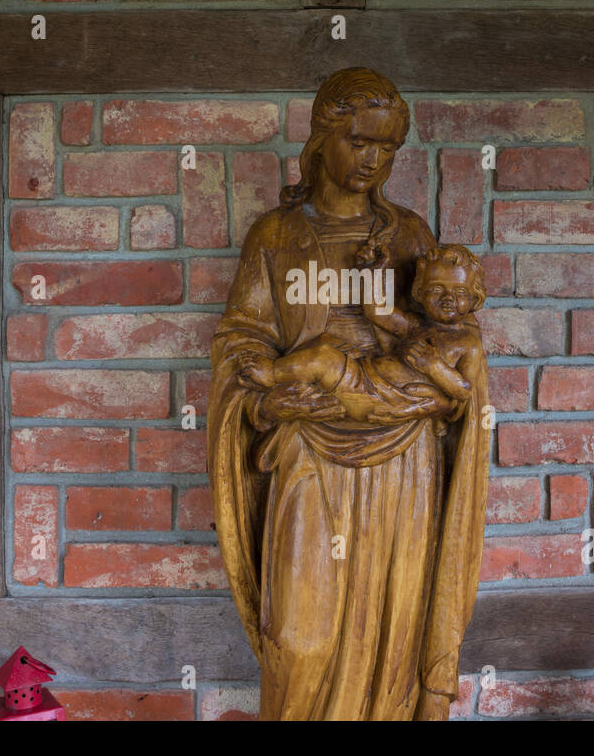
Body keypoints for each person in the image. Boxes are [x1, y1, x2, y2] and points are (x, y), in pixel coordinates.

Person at [208, 67, 491, 720]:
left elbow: (448, 339)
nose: (373, 159)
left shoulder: (409, 237)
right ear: (324, 137)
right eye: (360, 141)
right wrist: (265, 401)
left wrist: (444, 389)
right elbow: (239, 344)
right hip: (308, 444)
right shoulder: (276, 237)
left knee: (392, 622)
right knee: (301, 637)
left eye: (388, 148)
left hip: (402, 456)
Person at [232, 245, 488, 427]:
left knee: (324, 359)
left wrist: (434, 367)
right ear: (419, 292)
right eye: (436, 289)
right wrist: (373, 273)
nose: (447, 299)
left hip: (379, 398)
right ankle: (279, 381)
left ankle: (272, 373)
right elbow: (377, 312)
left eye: (460, 293)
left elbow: (465, 390)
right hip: (367, 377)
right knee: (323, 348)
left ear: (475, 298)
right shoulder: (416, 325)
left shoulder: (468, 344)